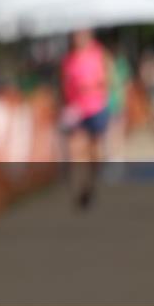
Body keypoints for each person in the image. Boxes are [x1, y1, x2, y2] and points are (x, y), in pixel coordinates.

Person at [60, 28, 108, 209]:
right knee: (76, 150)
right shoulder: (68, 60)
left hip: (95, 107)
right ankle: (78, 188)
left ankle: (90, 185)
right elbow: (64, 85)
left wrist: (90, 87)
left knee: (94, 152)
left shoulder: (98, 54)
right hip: (76, 111)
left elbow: (106, 80)